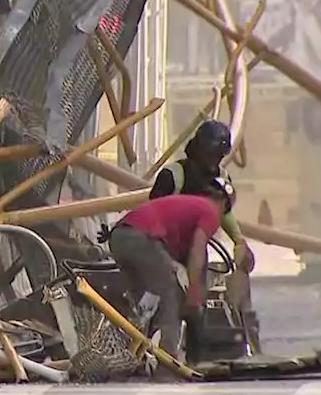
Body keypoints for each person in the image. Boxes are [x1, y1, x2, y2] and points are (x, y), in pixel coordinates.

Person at [150, 118, 258, 342]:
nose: (214, 161)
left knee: (196, 304)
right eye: (211, 154)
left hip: (197, 249)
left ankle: (197, 351)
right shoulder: (173, 176)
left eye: (218, 156)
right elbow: (153, 214)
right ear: (199, 149)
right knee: (168, 300)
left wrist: (238, 241)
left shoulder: (221, 178)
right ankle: (159, 349)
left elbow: (224, 212)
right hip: (166, 248)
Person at [107, 177, 235, 364]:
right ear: (224, 203)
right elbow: (197, 250)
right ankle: (168, 361)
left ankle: (133, 354)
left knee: (143, 304)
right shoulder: (210, 212)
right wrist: (193, 291)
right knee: (169, 293)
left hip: (119, 237)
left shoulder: (188, 205)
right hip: (143, 238)